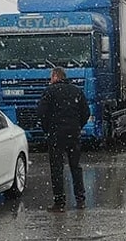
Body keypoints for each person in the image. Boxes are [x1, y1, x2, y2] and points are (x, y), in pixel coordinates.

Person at [37, 67, 90, 212]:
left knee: (57, 168)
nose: (49, 80)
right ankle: (80, 200)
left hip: (56, 135)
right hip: (73, 134)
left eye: (50, 77)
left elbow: (41, 113)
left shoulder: (49, 92)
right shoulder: (76, 91)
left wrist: (47, 129)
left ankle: (59, 202)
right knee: (76, 166)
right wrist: (78, 125)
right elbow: (86, 112)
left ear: (55, 76)